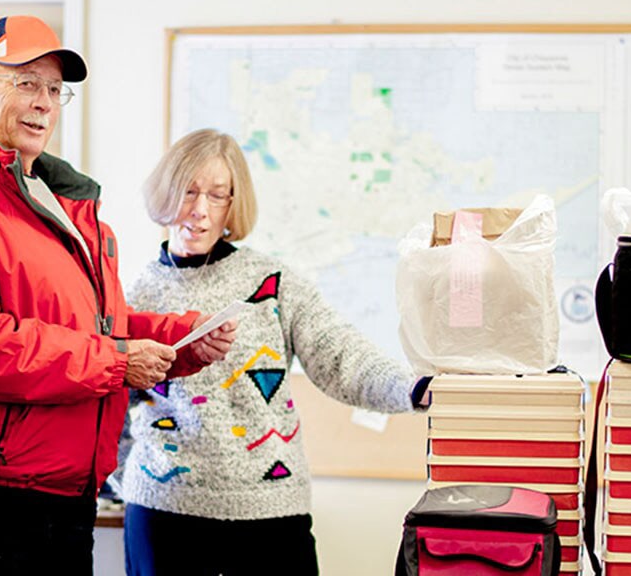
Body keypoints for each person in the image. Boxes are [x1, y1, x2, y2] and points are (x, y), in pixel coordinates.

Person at [0, 16, 235, 576]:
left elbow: (91, 321)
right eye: (25, 83)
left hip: (56, 489)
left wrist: (181, 340)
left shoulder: (57, 196)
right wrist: (119, 362)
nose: (44, 103)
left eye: (53, 89)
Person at [119, 128, 432, 575]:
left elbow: (339, 353)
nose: (201, 211)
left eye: (218, 195)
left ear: (234, 204)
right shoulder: (135, 294)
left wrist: (411, 388)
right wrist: (119, 479)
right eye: (189, 192)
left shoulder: (271, 284)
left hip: (271, 514)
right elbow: (110, 398)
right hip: (164, 514)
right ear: (166, 193)